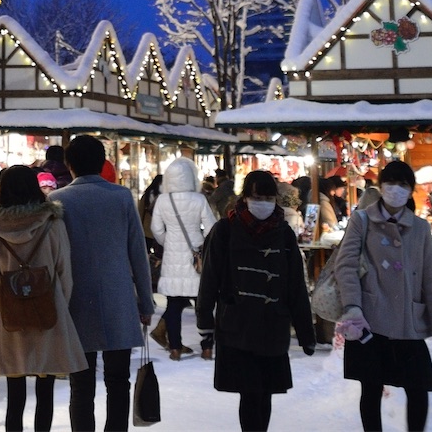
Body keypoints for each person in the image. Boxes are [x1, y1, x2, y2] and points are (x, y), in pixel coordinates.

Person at [333, 160, 432, 432]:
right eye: (391, 183)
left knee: (418, 388)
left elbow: (431, 282)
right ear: (380, 186)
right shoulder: (361, 219)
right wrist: (353, 308)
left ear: (411, 190)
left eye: (403, 184)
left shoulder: (420, 228)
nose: (396, 190)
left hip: (408, 322)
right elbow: (346, 265)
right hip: (369, 321)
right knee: (371, 388)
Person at [196, 170, 316, 432]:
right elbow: (209, 281)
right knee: (250, 394)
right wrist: (205, 324)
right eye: (257, 196)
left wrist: (306, 332)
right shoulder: (225, 230)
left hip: (273, 325)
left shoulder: (283, 233)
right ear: (246, 197)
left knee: (266, 393)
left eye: (268, 197)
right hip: (237, 326)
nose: (262, 202)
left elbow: (296, 286)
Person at [49, 135, 153, 432]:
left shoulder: (58, 200)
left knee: (81, 385)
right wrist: (145, 302)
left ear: (69, 164)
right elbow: (137, 253)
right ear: (103, 162)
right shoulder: (121, 197)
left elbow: (53, 258)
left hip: (75, 302)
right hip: (119, 301)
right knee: (118, 381)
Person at [0, 165, 87, 432]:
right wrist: (59, 307)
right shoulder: (52, 222)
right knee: (45, 391)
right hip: (47, 315)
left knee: (15, 394)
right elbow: (65, 274)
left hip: (9, 318)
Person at [149, 157, 216, 360]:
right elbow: (212, 227)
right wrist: (201, 242)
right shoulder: (199, 199)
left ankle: (175, 348)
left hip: (172, 257)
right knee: (202, 305)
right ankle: (207, 347)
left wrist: (167, 241)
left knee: (173, 305)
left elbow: (156, 229)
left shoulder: (163, 200)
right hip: (195, 257)